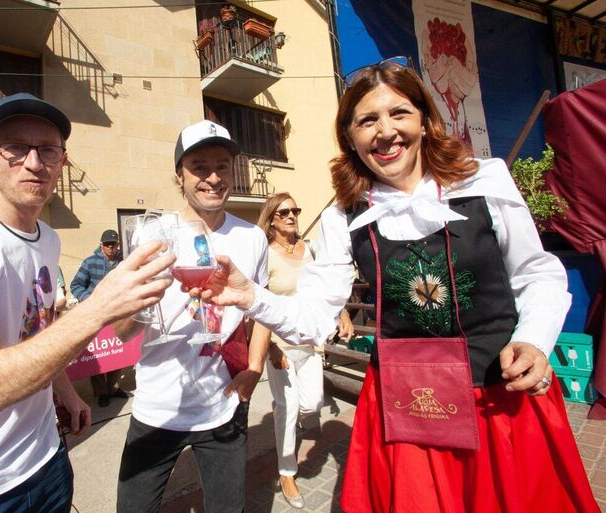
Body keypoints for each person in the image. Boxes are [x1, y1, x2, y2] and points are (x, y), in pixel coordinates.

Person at [193, 60, 599, 513]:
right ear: (350, 137)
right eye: (368, 120)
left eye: (399, 113)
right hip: (409, 413)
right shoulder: (342, 217)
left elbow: (535, 273)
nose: (386, 131)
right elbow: (313, 314)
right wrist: (252, 296)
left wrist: (533, 339)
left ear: (425, 120)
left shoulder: (484, 181)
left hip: (500, 404)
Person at [0, 93, 173, 513]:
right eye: (14, 147)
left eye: (47, 149)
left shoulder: (48, 238)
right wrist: (98, 307)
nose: (33, 161)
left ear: (61, 163)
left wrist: (64, 391)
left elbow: (36, 330)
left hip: (45, 460)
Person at [114, 120, 269, 513]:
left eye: (222, 165)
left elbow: (261, 311)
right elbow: (121, 331)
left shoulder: (252, 237)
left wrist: (253, 369)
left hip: (223, 409)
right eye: (199, 166)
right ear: (178, 176)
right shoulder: (153, 234)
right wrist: (149, 294)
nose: (213, 177)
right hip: (157, 409)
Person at [254, 192, 322, 509]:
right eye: (284, 212)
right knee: (288, 408)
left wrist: (345, 313)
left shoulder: (307, 248)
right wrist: (268, 348)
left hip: (309, 341)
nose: (292, 215)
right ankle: (286, 473)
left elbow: (321, 288)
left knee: (311, 405)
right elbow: (258, 307)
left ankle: (290, 423)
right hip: (280, 345)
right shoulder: (265, 254)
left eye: (295, 210)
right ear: (272, 220)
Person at [71, 229, 128, 407]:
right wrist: (90, 299)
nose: (111, 247)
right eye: (108, 244)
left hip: (117, 312)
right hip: (95, 313)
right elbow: (76, 285)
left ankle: (113, 387)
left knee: (118, 351)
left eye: (114, 244)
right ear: (101, 245)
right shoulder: (90, 262)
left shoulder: (124, 263)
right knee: (98, 353)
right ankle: (102, 391)